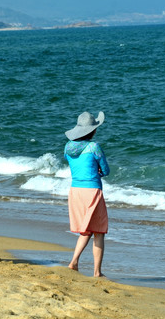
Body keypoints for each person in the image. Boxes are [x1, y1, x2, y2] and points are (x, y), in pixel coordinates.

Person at [64, 111, 110, 277]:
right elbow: (105, 170)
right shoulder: (94, 147)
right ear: (93, 131)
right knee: (98, 231)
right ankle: (97, 272)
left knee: (85, 230)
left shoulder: (67, 148)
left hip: (75, 191)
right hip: (92, 191)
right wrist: (98, 170)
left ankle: (74, 262)